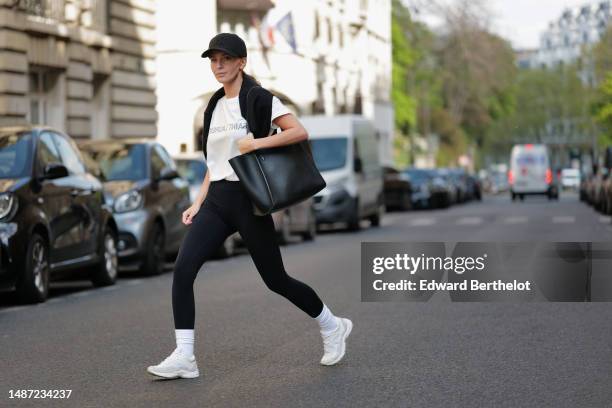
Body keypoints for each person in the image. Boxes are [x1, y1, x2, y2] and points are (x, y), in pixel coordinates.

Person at [147, 33, 353, 379]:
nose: (219, 66)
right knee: (183, 271)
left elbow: (298, 131)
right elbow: (216, 162)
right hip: (217, 201)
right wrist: (198, 202)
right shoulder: (212, 106)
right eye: (213, 60)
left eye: (225, 59)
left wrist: (256, 142)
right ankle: (185, 356)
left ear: (241, 62)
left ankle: (332, 325)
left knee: (276, 279)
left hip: (249, 200)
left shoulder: (258, 98)